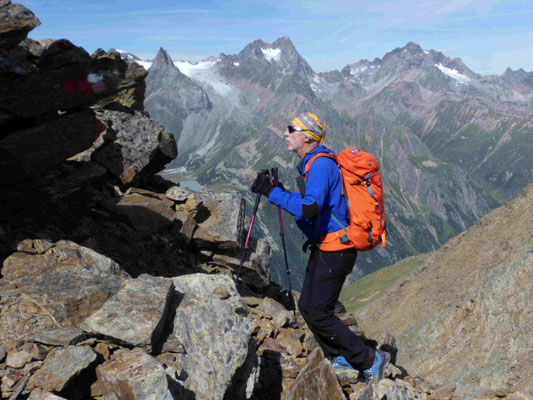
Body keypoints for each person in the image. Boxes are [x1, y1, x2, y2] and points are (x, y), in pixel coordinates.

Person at [251, 112, 390, 383]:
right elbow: (315, 203)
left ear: (308, 136)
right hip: (327, 246)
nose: (285, 133)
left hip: (337, 249)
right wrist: (278, 190)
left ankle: (370, 359)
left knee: (318, 310)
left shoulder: (320, 165)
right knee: (308, 305)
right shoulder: (314, 163)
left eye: (292, 129)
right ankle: (339, 358)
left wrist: (272, 193)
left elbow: (310, 208)